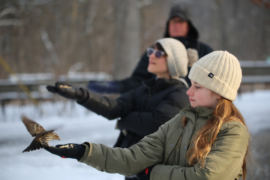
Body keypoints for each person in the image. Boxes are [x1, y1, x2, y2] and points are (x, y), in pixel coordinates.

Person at [44, 51, 250, 180]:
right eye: (191, 84)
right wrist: (84, 152)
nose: (189, 91)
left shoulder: (233, 131)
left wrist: (152, 174)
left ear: (218, 92)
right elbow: (134, 157)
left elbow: (208, 176)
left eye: (197, 86)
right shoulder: (180, 121)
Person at [46, 38, 194, 180]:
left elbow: (157, 123)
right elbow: (115, 108)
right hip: (132, 166)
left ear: (174, 62)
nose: (151, 56)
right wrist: (81, 95)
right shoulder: (144, 89)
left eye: (158, 53)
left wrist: (125, 120)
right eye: (151, 51)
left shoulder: (180, 94)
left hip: (156, 170)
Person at [87, 3, 213, 94]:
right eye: (172, 21)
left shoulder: (204, 51)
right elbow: (138, 80)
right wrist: (116, 86)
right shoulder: (155, 51)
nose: (176, 25)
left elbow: (214, 81)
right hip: (161, 108)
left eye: (180, 21)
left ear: (189, 25)